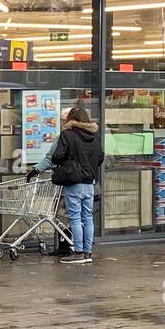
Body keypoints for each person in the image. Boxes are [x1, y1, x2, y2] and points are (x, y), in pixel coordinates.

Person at [30, 107, 103, 264]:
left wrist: (64, 162)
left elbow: (56, 156)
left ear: (70, 119)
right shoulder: (94, 136)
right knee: (88, 217)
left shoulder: (67, 135)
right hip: (90, 182)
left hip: (74, 182)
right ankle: (87, 253)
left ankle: (78, 253)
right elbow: (100, 157)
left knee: (75, 218)